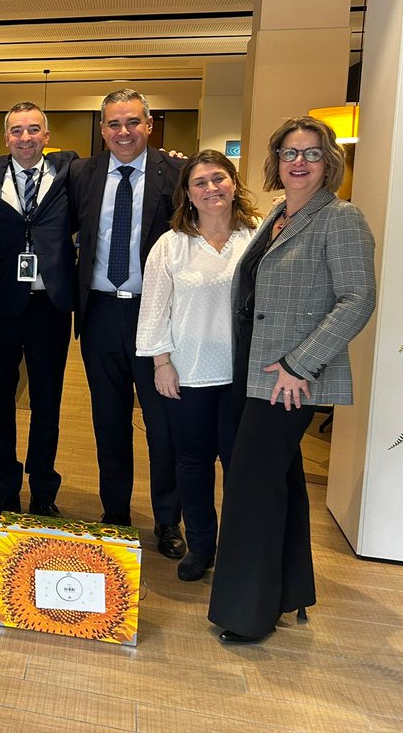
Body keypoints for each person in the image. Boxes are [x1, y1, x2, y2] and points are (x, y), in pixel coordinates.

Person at [209, 117, 374, 643]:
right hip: (253, 372)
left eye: (311, 153)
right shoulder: (279, 214)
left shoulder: (341, 218)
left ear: (330, 162)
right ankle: (289, 592)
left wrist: (301, 363)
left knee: (250, 489)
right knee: (280, 481)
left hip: (291, 379)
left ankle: (247, 615)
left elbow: (358, 299)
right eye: (288, 152)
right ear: (275, 161)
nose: (298, 162)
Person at [70, 89, 187, 558]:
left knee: (163, 426)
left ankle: (167, 520)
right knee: (108, 422)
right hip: (99, 313)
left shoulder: (177, 173)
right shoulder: (83, 172)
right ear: (102, 129)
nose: (123, 132)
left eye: (132, 122)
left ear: (150, 123)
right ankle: (115, 512)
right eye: (114, 124)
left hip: (155, 315)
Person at [136, 151, 259, 581]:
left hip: (243, 376)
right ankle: (202, 547)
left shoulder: (257, 238)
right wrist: (161, 362)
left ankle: (238, 553)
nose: (211, 189)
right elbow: (153, 310)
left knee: (240, 467)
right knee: (192, 463)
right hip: (187, 372)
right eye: (200, 183)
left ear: (233, 184)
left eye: (218, 179)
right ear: (187, 194)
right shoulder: (171, 245)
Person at [0, 104, 77, 513]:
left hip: (50, 304)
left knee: (47, 401)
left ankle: (44, 490)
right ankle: (5, 489)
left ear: (47, 136)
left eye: (34, 130)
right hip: (2, 304)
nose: (25, 138)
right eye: (17, 131)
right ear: (5, 137)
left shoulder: (69, 170)